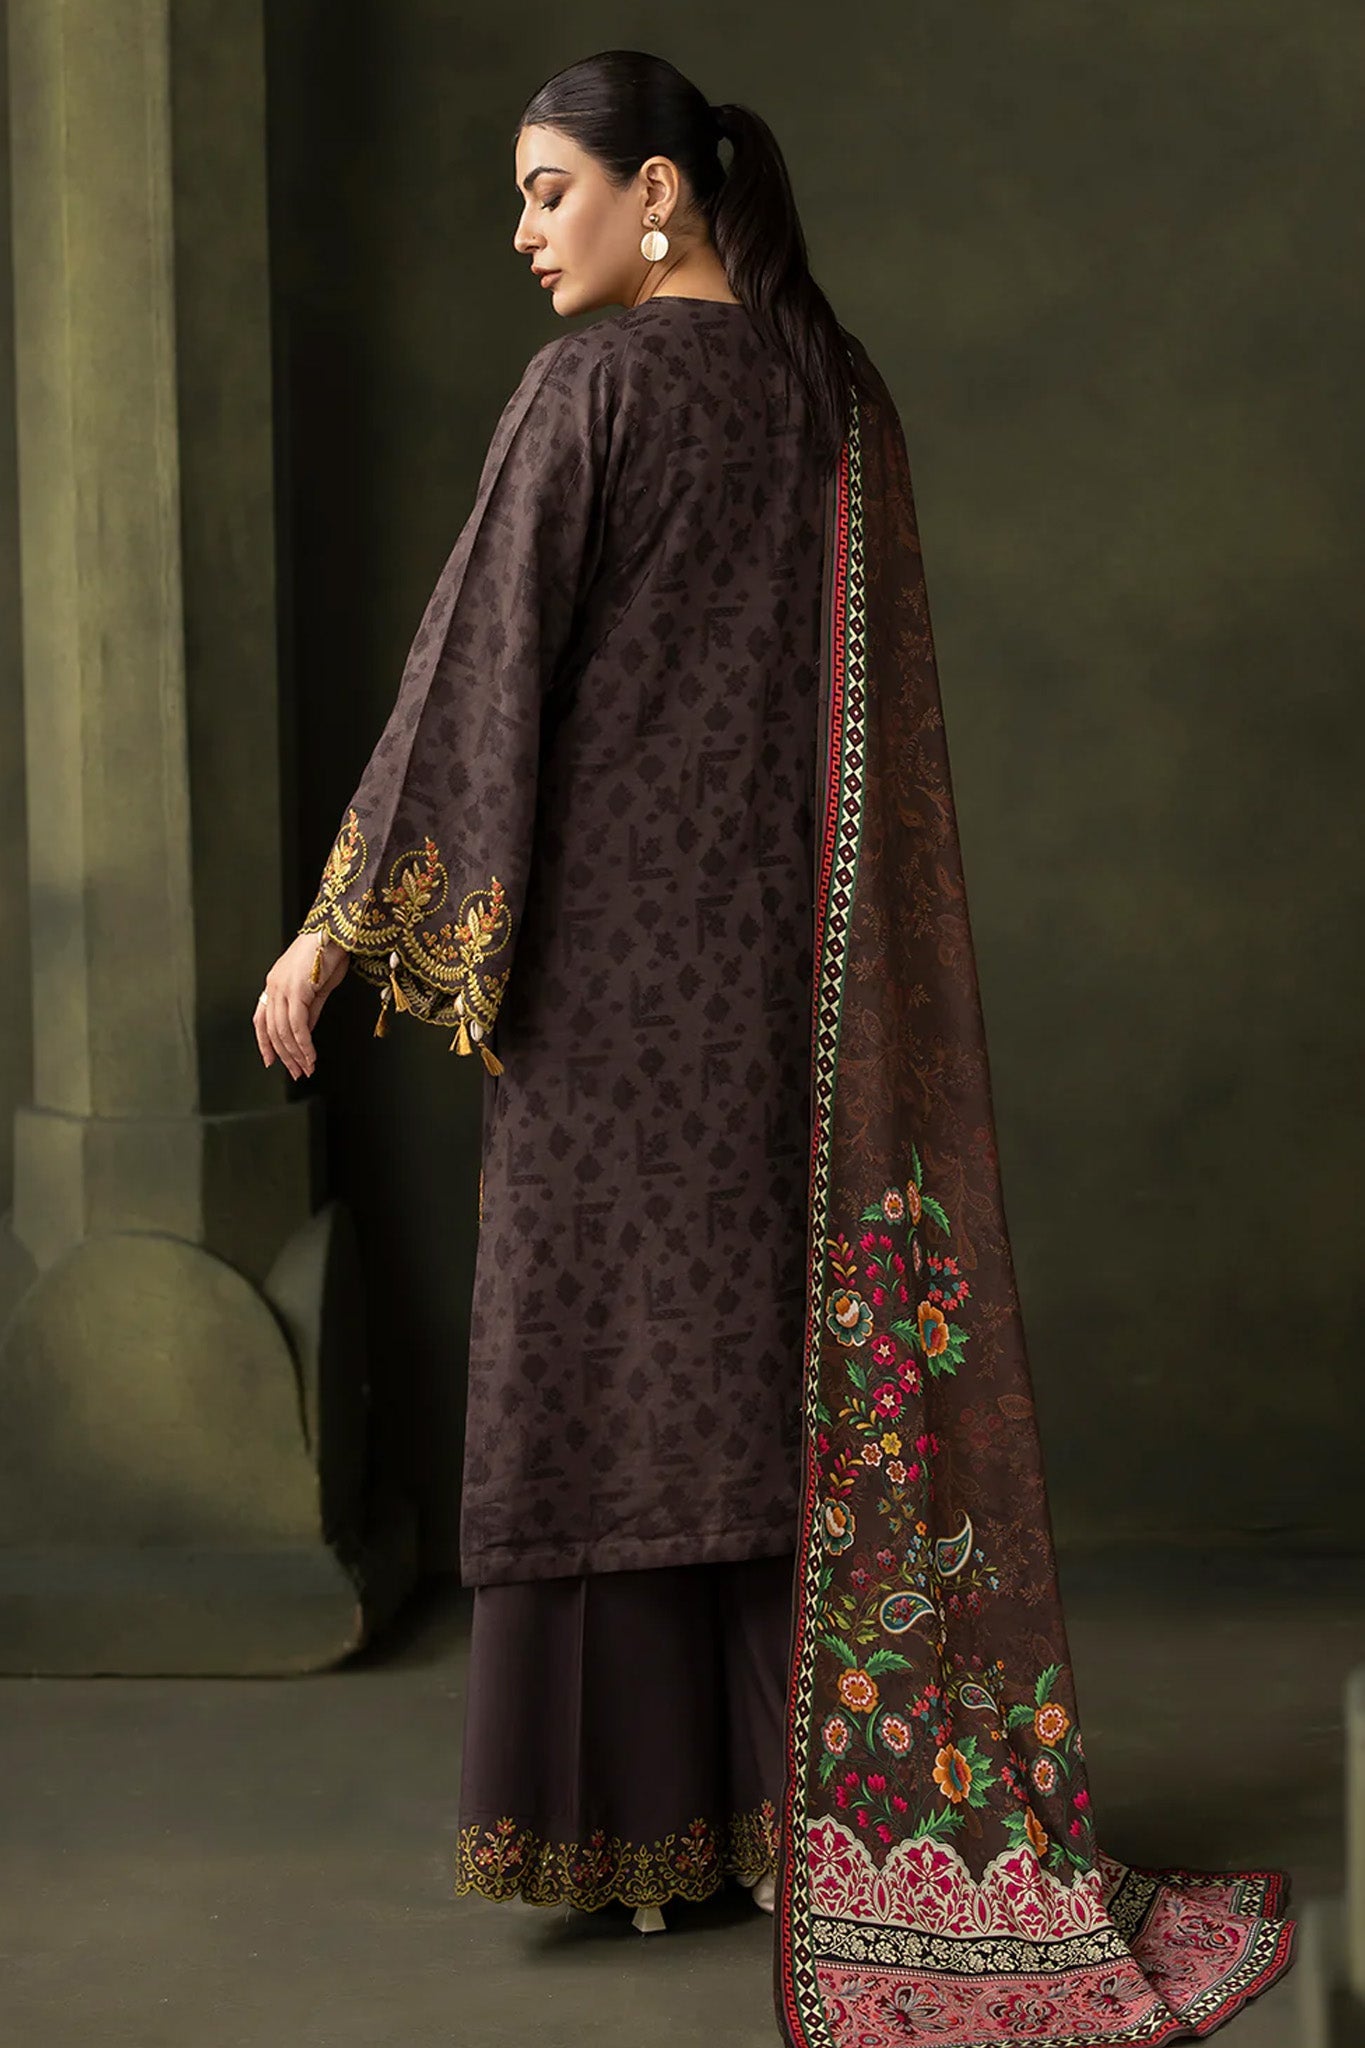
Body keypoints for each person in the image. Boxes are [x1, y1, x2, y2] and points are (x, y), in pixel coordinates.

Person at [254, 48, 1298, 2048]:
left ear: (657, 191)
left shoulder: (586, 391)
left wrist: (337, 926)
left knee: (599, 1368)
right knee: (756, 1377)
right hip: (792, 997)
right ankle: (784, 1819)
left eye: (548, 190)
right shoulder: (838, 394)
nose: (521, 232)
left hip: (606, 995)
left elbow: (477, 664)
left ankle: (632, 1832)